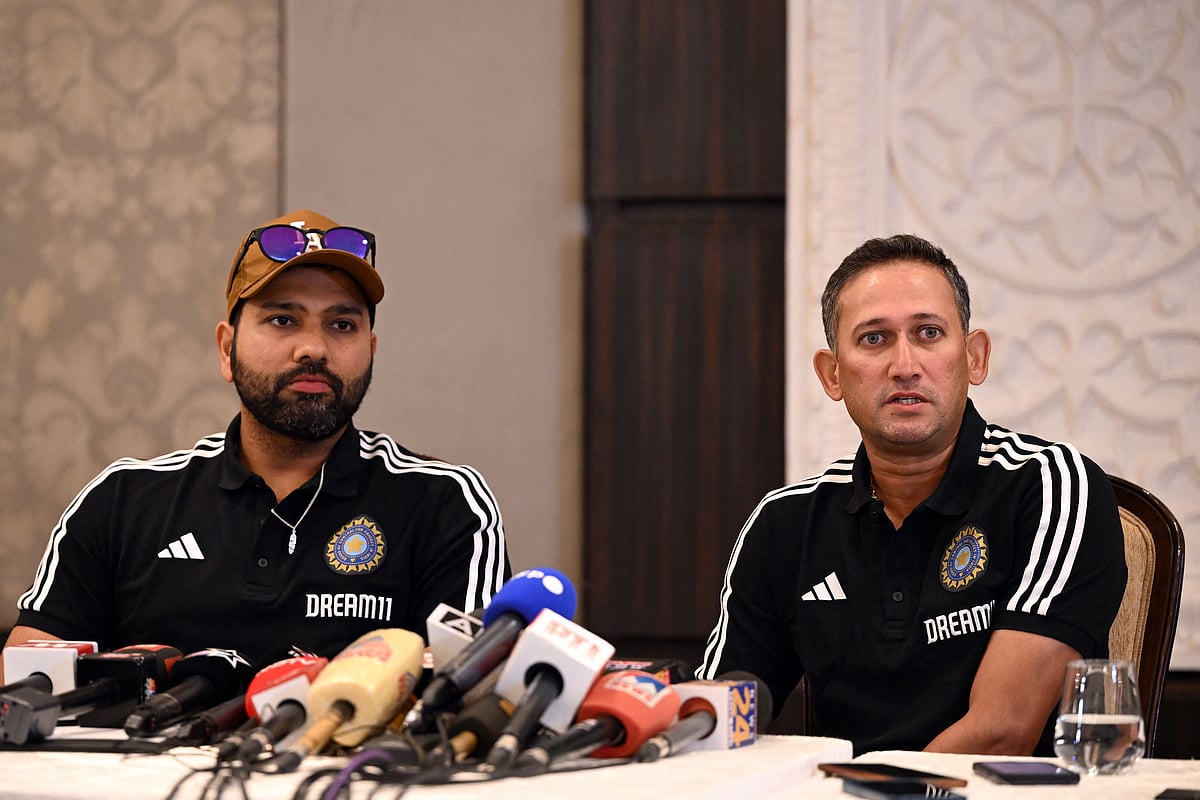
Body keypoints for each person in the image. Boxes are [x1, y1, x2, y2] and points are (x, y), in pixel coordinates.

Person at [3, 209, 511, 677]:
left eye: (342, 324)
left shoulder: (444, 503)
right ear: (227, 349)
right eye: (282, 319)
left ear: (370, 351)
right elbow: (25, 682)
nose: (314, 348)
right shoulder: (123, 499)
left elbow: (468, 685)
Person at [697, 233, 1126, 756]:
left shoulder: (1049, 486)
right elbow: (722, 711)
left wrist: (871, 792)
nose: (905, 365)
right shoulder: (785, 521)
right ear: (833, 375)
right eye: (874, 338)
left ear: (974, 358)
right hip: (838, 789)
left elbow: (1002, 730)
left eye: (928, 333)